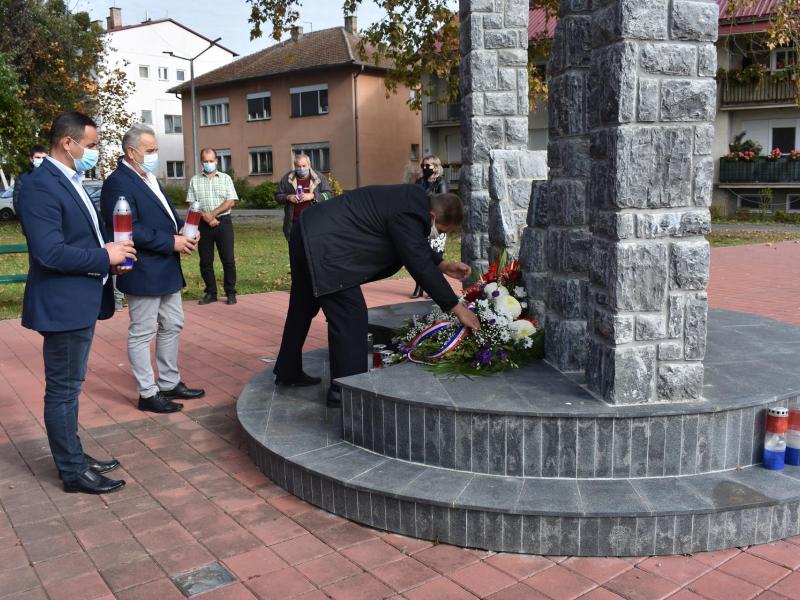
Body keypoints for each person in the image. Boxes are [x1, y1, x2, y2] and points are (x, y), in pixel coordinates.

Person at [273, 184, 480, 407]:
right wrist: (457, 308)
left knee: (302, 306)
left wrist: (442, 264)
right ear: (433, 215)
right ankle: (345, 392)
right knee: (350, 317)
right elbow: (418, 262)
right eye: (442, 229)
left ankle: (288, 370)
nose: (439, 234)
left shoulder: (416, 200)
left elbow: (412, 244)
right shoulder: (410, 214)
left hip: (308, 228)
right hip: (328, 246)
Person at [18, 111, 136, 494]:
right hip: (63, 305)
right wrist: (105, 257)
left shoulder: (70, 179)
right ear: (67, 143)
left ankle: (75, 453)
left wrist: (111, 258)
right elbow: (49, 252)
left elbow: (83, 237)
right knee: (63, 389)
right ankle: (71, 471)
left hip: (80, 300)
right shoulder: (40, 185)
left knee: (71, 385)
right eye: (91, 145)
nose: (96, 152)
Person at [101, 123, 205, 415]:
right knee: (143, 331)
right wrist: (170, 241)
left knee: (173, 324)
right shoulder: (118, 182)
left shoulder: (148, 177)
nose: (155, 155)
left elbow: (162, 216)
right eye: (150, 150)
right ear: (131, 152)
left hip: (166, 267)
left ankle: (170, 382)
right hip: (143, 267)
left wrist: (183, 230)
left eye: (156, 149)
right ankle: (147, 392)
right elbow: (128, 227)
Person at [187, 148, 238, 305]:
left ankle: (230, 292)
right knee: (205, 261)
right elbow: (191, 203)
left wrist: (213, 214)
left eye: (211, 161)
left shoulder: (225, 178)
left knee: (228, 259)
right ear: (202, 162)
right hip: (203, 224)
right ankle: (211, 293)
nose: (208, 164)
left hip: (223, 222)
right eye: (205, 161)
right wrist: (207, 218)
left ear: (216, 161)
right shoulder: (195, 180)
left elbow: (231, 201)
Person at [412, 155, 449, 299]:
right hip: (421, 222)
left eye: (429, 165)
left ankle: (434, 288)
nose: (425, 168)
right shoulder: (419, 181)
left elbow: (443, 203)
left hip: (435, 224)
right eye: (424, 165)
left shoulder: (441, 182)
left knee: (435, 257)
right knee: (419, 255)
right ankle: (419, 286)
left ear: (436, 166)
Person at [276, 153, 333, 241]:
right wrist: (288, 197)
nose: (301, 169)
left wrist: (313, 196)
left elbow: (329, 195)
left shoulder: (319, 178)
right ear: (294, 166)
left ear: (309, 165)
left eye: (304, 166)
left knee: (312, 251)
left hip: (315, 223)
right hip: (293, 223)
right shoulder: (287, 179)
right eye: (298, 166)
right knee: (296, 252)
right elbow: (278, 196)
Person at [12, 144, 48, 220]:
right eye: (38, 157)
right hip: (31, 221)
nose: (41, 160)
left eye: (44, 158)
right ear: (31, 159)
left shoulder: (54, 177)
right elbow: (17, 203)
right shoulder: (22, 179)